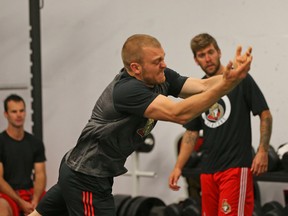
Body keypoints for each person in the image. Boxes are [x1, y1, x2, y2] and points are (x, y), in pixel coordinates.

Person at [28, 33, 252, 216]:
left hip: (81, 170)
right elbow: (179, 114)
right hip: (87, 178)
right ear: (135, 68)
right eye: (157, 62)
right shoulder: (127, 91)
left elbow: (202, 86)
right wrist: (224, 87)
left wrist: (231, 77)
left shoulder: (160, 77)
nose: (164, 64)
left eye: (163, 58)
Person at [169, 33, 273, 216]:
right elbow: (191, 133)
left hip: (234, 168)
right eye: (202, 55)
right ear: (196, 60)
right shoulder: (199, 88)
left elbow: (265, 115)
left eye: (211, 52)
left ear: (219, 52)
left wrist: (263, 150)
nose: (208, 59)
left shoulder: (240, 79)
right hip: (208, 170)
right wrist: (178, 166)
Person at [0, 94, 47, 216]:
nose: (19, 115)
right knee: (1, 208)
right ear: (6, 114)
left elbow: (40, 174)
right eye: (14, 111)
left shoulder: (35, 142)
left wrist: (35, 201)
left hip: (30, 193)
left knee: (56, 202)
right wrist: (20, 201)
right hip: (7, 195)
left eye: (21, 110)